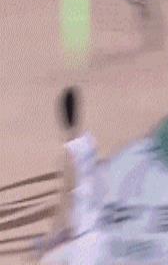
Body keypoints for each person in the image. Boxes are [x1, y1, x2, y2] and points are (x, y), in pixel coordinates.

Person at [36, 88, 103, 265]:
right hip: (94, 221)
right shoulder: (89, 142)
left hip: (78, 228)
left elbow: (66, 195)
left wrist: (51, 237)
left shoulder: (69, 152)